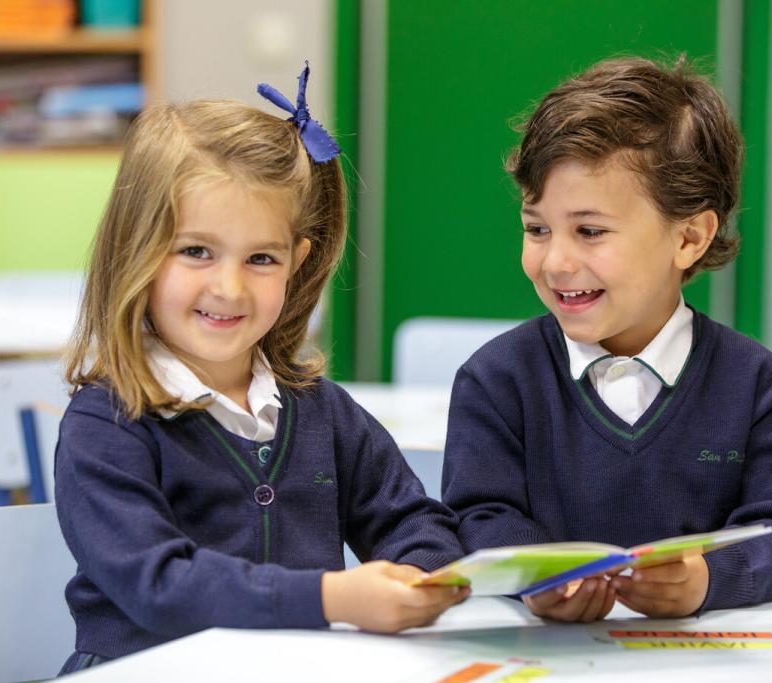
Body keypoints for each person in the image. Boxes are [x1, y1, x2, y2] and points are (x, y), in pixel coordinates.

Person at [55, 64, 466, 673]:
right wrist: (332, 598)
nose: (229, 287)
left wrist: (419, 577)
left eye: (261, 258)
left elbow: (412, 521)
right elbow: (160, 585)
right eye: (196, 251)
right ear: (136, 249)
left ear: (297, 262)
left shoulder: (320, 410)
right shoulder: (107, 425)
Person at [441, 56, 772, 623]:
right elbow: (479, 514)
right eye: (537, 229)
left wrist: (708, 579)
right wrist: (534, 575)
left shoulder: (757, 385)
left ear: (690, 237)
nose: (555, 261)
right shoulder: (497, 379)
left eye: (590, 231)